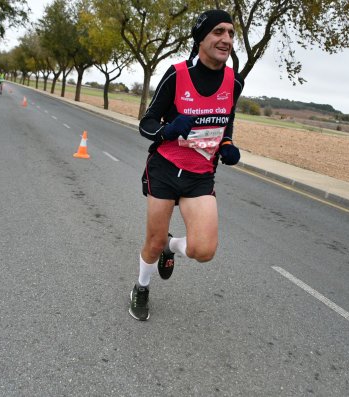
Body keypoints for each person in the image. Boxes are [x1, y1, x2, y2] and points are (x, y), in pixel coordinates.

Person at [129, 9, 245, 321]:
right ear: (201, 38)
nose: (226, 39)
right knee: (152, 243)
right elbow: (147, 122)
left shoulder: (234, 81)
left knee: (204, 250)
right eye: (219, 31)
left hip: (200, 175)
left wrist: (227, 144)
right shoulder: (177, 74)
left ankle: (171, 247)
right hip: (165, 168)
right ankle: (141, 286)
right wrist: (165, 130)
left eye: (231, 33)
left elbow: (226, 122)